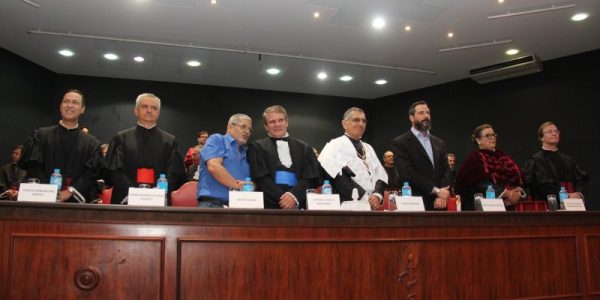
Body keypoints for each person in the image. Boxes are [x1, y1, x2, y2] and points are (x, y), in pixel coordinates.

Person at [19, 89, 103, 202]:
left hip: (76, 203)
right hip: (41, 199)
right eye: (66, 101)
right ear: (60, 106)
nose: (69, 105)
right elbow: (33, 166)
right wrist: (49, 192)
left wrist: (70, 191)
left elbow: (90, 175)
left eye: (75, 102)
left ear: (82, 109)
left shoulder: (92, 144)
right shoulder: (40, 135)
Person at [105, 93, 187, 204]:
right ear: (136, 110)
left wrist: (157, 194)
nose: (149, 110)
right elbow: (114, 173)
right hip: (125, 200)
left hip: (160, 201)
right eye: (144, 106)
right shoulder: (120, 139)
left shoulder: (170, 142)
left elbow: (174, 174)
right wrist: (134, 194)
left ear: (158, 113)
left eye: (154, 108)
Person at [247, 105, 321, 209]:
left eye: (280, 120)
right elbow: (261, 178)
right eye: (272, 122)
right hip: (268, 206)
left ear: (286, 122)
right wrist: (284, 199)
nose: (277, 124)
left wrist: (293, 197)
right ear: (266, 126)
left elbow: (310, 178)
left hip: (298, 204)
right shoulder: (257, 147)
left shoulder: (305, 148)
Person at [318, 107, 387, 210]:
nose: (361, 124)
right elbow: (339, 178)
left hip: (372, 204)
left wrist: (377, 195)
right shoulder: (335, 145)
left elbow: (380, 174)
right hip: (347, 204)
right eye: (356, 120)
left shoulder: (368, 148)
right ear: (344, 124)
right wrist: (364, 197)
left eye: (364, 121)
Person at [391, 101, 451, 210]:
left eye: (428, 113)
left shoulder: (439, 142)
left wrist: (442, 195)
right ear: (411, 117)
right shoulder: (401, 142)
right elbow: (407, 173)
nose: (426, 116)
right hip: (415, 202)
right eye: (421, 113)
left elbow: (446, 170)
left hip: (439, 203)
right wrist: (436, 190)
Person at [455, 124, 526, 210]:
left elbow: (518, 177)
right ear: (478, 140)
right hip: (485, 206)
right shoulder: (475, 158)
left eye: (493, 135)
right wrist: (508, 194)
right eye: (487, 135)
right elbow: (480, 183)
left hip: (510, 205)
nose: (492, 137)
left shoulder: (504, 156)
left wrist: (517, 193)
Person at [523, 121, 589, 203]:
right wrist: (565, 196)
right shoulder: (536, 160)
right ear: (541, 138)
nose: (554, 133)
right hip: (548, 207)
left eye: (556, 131)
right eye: (550, 131)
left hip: (572, 206)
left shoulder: (568, 160)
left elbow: (580, 180)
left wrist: (578, 194)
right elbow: (542, 185)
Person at [197, 114, 253, 208]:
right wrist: (238, 187)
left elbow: (250, 181)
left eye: (249, 129)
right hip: (213, 204)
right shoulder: (217, 140)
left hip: (241, 205)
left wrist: (250, 185)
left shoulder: (247, 152)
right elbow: (214, 167)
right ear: (230, 126)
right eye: (243, 126)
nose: (247, 131)